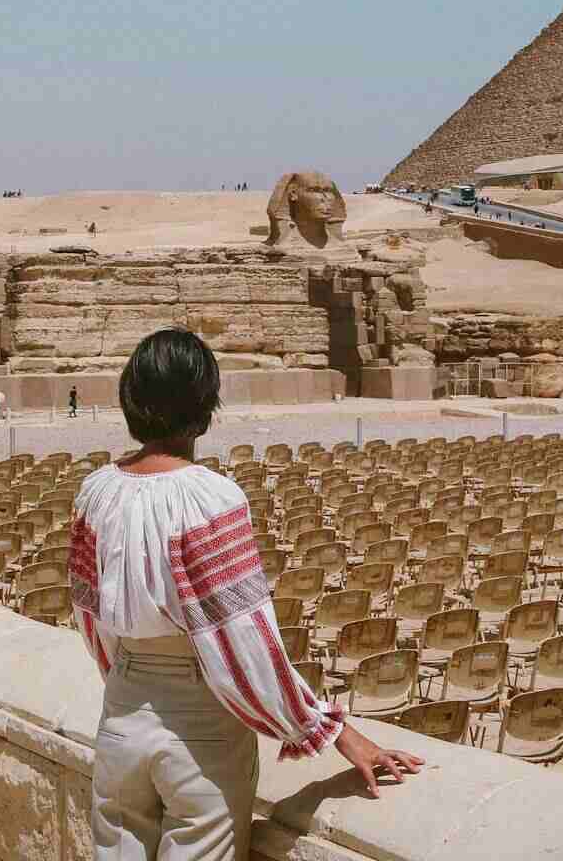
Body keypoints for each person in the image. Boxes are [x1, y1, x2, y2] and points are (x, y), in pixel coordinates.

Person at [72, 329, 422, 860]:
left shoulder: (95, 491)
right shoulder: (211, 498)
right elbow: (245, 643)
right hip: (201, 731)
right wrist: (336, 734)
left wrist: (128, 681)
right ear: (204, 405)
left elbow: (89, 615)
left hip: (121, 716)